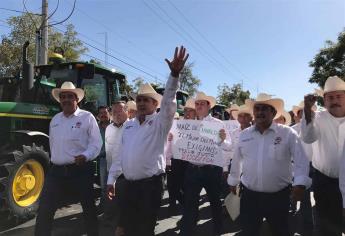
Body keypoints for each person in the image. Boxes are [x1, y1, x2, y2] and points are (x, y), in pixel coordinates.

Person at [107, 46, 189, 236]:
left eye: (147, 100)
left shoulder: (161, 123)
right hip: (128, 185)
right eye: (140, 100)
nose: (142, 103)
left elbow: (169, 100)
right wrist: (111, 179)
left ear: (155, 104)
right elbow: (121, 155)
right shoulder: (128, 126)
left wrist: (174, 75)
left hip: (150, 187)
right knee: (123, 228)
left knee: (144, 229)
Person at [228, 93, 311, 236]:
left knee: (281, 231)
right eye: (257, 108)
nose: (260, 112)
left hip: (279, 198)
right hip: (250, 197)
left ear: (273, 113)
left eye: (265, 108)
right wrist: (233, 180)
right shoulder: (244, 134)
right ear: (253, 112)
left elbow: (301, 160)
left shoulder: (287, 133)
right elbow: (236, 160)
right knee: (249, 231)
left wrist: (300, 184)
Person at [35, 81, 102, 236]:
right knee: (45, 209)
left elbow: (96, 143)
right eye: (62, 97)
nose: (65, 99)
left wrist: (85, 156)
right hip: (56, 172)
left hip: (79, 170)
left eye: (69, 96)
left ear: (76, 99)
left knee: (88, 209)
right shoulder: (55, 120)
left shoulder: (87, 117)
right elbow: (53, 144)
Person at [181, 92, 231, 236]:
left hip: (211, 170)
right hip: (192, 169)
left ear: (209, 106)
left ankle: (217, 230)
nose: (198, 106)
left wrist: (221, 140)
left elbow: (229, 146)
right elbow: (181, 144)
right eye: (196, 104)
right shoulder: (189, 123)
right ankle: (188, 231)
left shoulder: (218, 124)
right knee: (190, 203)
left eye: (202, 103)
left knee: (215, 202)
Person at [302, 76, 345, 236]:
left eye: (339, 96)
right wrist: (307, 110)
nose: (334, 101)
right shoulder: (317, 117)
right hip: (325, 182)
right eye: (330, 97)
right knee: (327, 228)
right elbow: (308, 137)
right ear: (324, 101)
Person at [102, 101, 129, 234]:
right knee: (112, 200)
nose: (117, 114)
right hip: (111, 171)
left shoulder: (132, 126)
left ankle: (123, 226)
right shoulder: (109, 128)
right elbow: (109, 150)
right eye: (114, 112)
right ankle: (113, 223)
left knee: (125, 202)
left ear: (127, 112)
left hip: (126, 174)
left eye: (120, 111)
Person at [291, 101, 316, 231]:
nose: (305, 116)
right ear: (297, 116)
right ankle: (305, 223)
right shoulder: (292, 130)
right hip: (299, 166)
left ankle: (312, 223)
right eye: (302, 113)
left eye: (308, 113)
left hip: (316, 166)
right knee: (302, 196)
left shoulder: (317, 127)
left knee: (320, 196)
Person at [96, 105, 110, 212]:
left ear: (109, 113)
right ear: (98, 115)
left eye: (105, 112)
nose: (103, 115)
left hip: (115, 159)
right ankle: (103, 205)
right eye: (101, 113)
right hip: (103, 159)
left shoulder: (115, 125)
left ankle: (113, 206)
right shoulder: (95, 128)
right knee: (103, 184)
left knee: (115, 183)